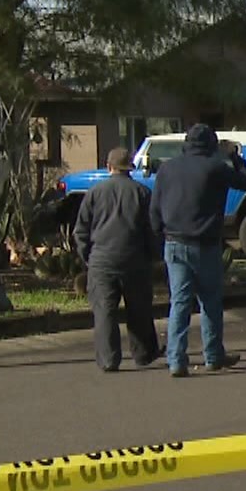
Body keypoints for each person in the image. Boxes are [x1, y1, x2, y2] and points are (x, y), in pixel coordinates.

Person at [150, 125, 246, 377]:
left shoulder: (167, 168)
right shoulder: (215, 168)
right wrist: (234, 156)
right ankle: (213, 355)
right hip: (205, 243)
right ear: (211, 144)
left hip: (174, 242)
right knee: (209, 301)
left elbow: (154, 209)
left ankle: (176, 359)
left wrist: (158, 235)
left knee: (180, 302)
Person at [73, 146, 161, 372]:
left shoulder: (95, 192)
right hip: (134, 258)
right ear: (130, 168)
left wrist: (87, 257)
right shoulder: (142, 192)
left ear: (109, 166)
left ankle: (109, 359)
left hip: (102, 259)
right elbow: (152, 229)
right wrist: (153, 255)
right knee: (139, 308)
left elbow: (81, 230)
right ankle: (144, 354)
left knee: (104, 311)